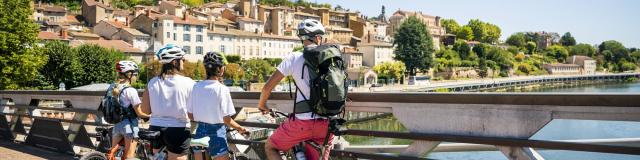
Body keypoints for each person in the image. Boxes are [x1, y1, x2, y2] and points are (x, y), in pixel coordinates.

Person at [258, 19, 334, 160]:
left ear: (302, 38)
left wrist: (262, 105)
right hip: (327, 125)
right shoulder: (330, 59)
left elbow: (267, 87)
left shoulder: (294, 58)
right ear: (318, 38)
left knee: (270, 147)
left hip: (302, 123)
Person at [187, 52, 248, 160]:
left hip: (198, 130)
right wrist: (240, 128)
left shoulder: (195, 86)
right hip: (216, 131)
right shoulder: (222, 89)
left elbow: (190, 115)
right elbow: (226, 119)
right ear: (221, 69)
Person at [141, 44, 195, 160]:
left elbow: (145, 110)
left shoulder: (152, 83)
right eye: (182, 59)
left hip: (155, 128)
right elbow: (193, 112)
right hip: (178, 129)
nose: (184, 62)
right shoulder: (189, 83)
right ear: (175, 62)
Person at [108, 61, 150, 160]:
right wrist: (150, 116)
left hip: (117, 124)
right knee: (129, 157)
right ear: (129, 74)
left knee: (111, 155)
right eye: (135, 74)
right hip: (129, 126)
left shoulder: (113, 87)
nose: (136, 77)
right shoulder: (131, 91)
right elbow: (139, 113)